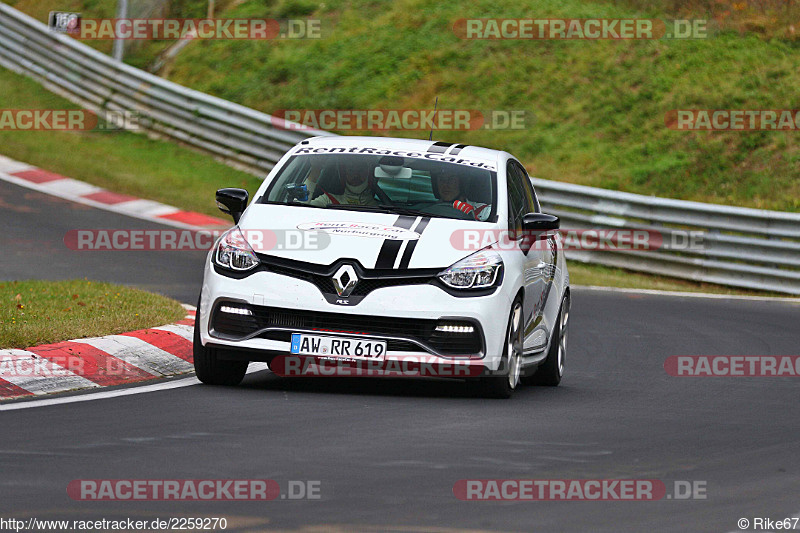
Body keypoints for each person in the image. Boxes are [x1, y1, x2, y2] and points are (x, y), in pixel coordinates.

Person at [309, 159, 379, 207]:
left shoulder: (384, 208)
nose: (356, 175)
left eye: (361, 170)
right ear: (344, 174)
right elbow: (302, 207)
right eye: (351, 170)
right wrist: (315, 170)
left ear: (369, 173)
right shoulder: (327, 200)